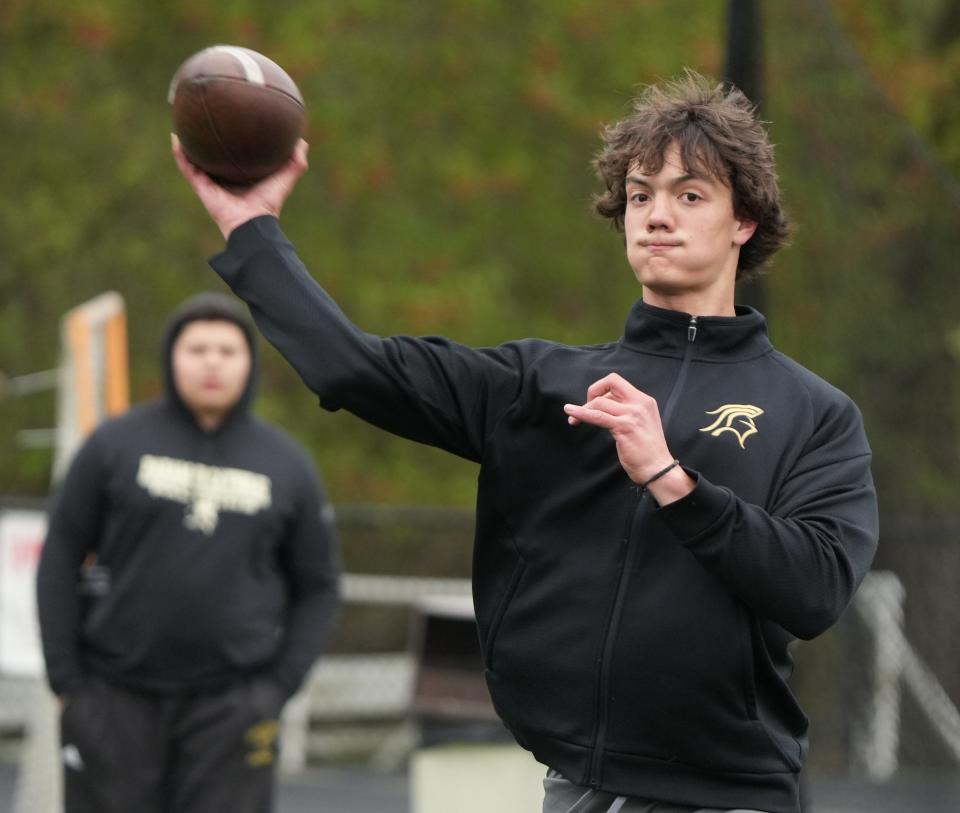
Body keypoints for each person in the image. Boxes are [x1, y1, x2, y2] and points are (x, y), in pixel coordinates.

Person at [172, 71, 879, 813]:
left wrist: (672, 479)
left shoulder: (813, 412)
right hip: (573, 787)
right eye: (641, 195)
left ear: (745, 221)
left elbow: (816, 588)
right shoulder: (542, 382)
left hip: (730, 795)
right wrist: (251, 228)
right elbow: (355, 369)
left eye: (689, 195)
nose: (656, 216)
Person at [36, 293, 341, 813]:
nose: (212, 363)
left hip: (232, 708)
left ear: (250, 363)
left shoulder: (286, 463)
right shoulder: (115, 445)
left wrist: (278, 688)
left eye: (227, 350)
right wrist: (68, 683)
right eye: (197, 348)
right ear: (171, 357)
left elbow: (319, 586)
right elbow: (60, 559)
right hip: (115, 700)